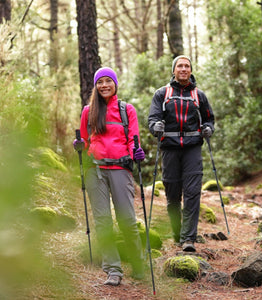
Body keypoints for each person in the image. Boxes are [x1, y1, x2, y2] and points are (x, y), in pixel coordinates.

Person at [73, 67, 145, 286]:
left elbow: (133, 139)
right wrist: (79, 145)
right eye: (100, 82)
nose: (104, 85)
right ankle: (113, 269)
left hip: (120, 169)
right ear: (95, 86)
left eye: (108, 81)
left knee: (127, 220)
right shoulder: (88, 111)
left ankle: (138, 262)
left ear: (115, 84)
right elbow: (84, 139)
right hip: (95, 170)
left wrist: (136, 152)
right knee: (103, 221)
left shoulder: (127, 110)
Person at [148, 55, 215, 252]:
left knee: (193, 193)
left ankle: (188, 239)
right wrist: (155, 126)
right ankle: (178, 233)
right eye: (180, 66)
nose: (184, 69)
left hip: (193, 148)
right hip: (169, 148)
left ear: (191, 70)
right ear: (174, 70)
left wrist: (208, 129)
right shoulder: (162, 94)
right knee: (173, 195)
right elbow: (152, 119)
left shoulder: (199, 95)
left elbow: (209, 118)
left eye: (187, 66)